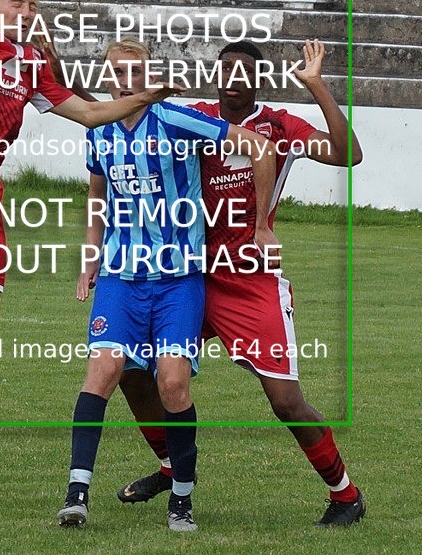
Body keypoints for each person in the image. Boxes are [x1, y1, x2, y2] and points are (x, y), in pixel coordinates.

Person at [0, 0, 183, 485]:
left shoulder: (32, 62)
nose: (25, 12)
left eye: (32, 5)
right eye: (16, 3)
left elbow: (88, 112)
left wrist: (146, 98)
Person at [116, 39, 367, 527]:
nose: (233, 76)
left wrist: (316, 86)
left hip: (251, 281)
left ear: (258, 80)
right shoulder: (195, 118)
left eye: (243, 70)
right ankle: (171, 466)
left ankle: (345, 495)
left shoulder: (281, 127)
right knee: (129, 367)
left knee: (285, 400)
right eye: (225, 67)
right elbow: (125, 119)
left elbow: (348, 154)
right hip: (188, 275)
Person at [57, 39, 278, 531]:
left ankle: (181, 497)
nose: (128, 78)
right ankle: (76, 495)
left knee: (173, 383)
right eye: (119, 70)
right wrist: (90, 257)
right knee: (102, 373)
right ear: (109, 76)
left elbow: (258, 147)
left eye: (137, 70)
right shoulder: (100, 130)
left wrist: (262, 223)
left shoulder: (178, 120)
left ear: (148, 74)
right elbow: (97, 196)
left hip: (178, 279)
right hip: (119, 276)